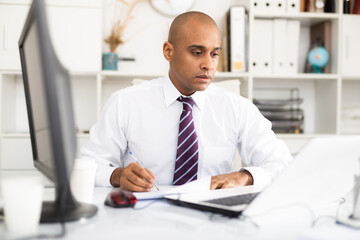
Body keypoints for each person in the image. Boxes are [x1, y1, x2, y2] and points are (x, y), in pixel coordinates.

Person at [81, 11, 293, 192]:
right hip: (146, 217)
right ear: (168, 51)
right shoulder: (125, 103)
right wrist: (117, 176)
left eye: (214, 54)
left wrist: (246, 177)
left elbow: (283, 163)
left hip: (213, 218)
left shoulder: (238, 108)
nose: (208, 65)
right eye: (197, 52)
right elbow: (88, 165)